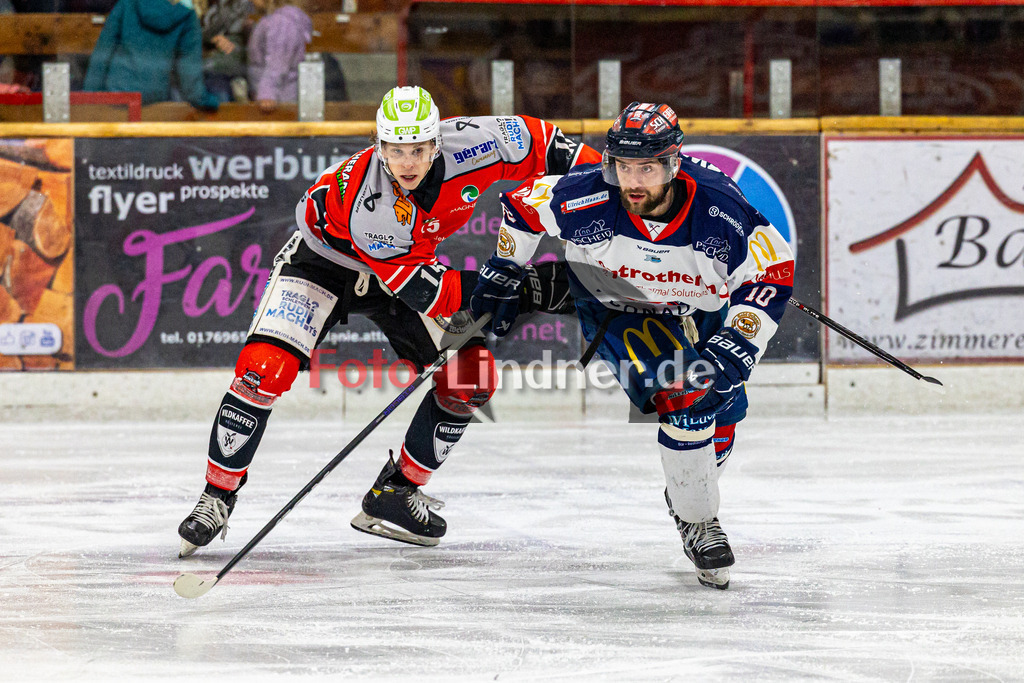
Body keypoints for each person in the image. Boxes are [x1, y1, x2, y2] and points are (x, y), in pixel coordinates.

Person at [177, 85, 600, 557]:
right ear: (379, 147)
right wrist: (530, 289)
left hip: (405, 264)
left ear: (437, 141)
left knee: (472, 377)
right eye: (395, 150)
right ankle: (216, 497)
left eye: (418, 148)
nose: (408, 163)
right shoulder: (370, 207)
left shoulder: (477, 142)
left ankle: (396, 492)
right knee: (262, 370)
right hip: (323, 263)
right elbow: (431, 294)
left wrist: (608, 192)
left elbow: (550, 144)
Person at [469, 102, 795, 589]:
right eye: (624, 166)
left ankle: (688, 493)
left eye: (646, 166)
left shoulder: (718, 206)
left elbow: (772, 268)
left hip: (699, 310)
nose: (633, 180)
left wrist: (739, 341)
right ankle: (699, 520)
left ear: (672, 162)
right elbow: (522, 206)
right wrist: (504, 266)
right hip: (621, 312)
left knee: (722, 406)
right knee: (686, 397)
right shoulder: (584, 194)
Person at [83, 0, 219, 110]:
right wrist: (208, 101)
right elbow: (188, 74)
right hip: (156, 102)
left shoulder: (126, 4)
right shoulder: (187, 16)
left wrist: (90, 98)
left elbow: (102, 53)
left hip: (117, 97)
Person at [246, 0, 311, 113]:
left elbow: (277, 62)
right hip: (278, 96)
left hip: (277, 101)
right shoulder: (277, 20)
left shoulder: (281, 22)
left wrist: (267, 94)